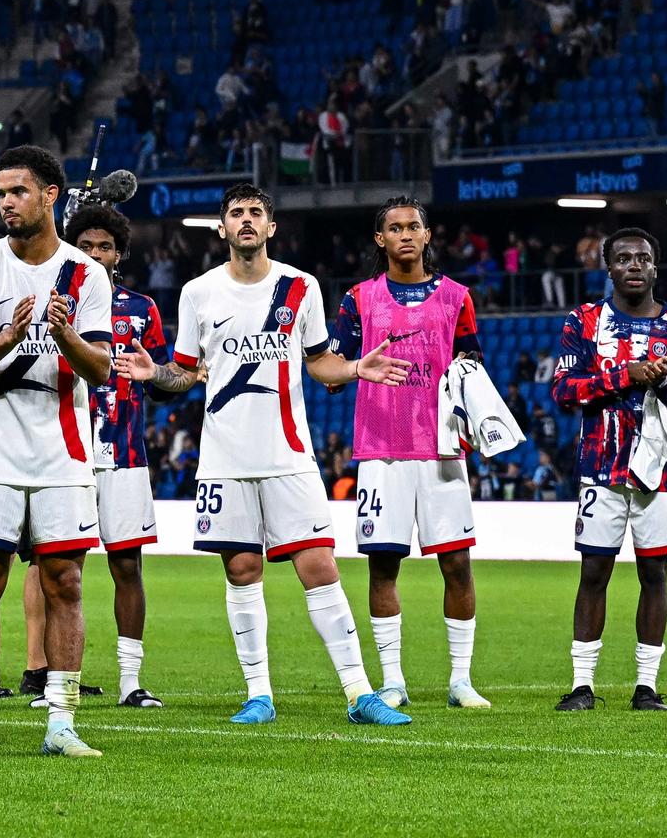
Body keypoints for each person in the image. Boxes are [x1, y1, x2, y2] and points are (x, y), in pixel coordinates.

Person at [147, 182, 413, 728]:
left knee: (319, 566)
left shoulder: (301, 286)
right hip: (224, 458)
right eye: (236, 213)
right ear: (221, 228)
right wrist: (156, 375)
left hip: (289, 454)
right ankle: (259, 693)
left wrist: (357, 368)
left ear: (271, 227)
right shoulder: (198, 292)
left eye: (256, 213)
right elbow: (185, 370)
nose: (246, 221)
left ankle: (360, 693)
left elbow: (319, 362)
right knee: (242, 570)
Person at [0, 145, 113, 757]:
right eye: (0, 193)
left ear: (50, 197)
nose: (7, 202)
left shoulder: (85, 274)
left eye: (18, 191)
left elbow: (101, 370)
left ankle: (62, 724)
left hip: (63, 452)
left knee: (66, 580)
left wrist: (63, 333)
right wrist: (10, 335)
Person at [330, 197, 489, 710]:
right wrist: (351, 366)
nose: (404, 234)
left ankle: (460, 680)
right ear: (380, 240)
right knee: (383, 567)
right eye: (394, 228)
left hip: (443, 449)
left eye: (413, 226)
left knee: (458, 565)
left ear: (427, 235)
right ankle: (392, 679)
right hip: (382, 449)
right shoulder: (359, 298)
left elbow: (472, 365)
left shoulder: (458, 298)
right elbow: (334, 365)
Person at [547, 226, 667, 712]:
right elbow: (562, 391)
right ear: (609, 267)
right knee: (594, 572)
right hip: (600, 467)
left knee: (654, 573)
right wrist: (626, 376)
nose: (633, 265)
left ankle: (646, 687)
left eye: (642, 258)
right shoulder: (584, 321)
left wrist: (666, 383)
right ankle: (581, 686)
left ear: (655, 267)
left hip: (660, 473)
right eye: (623, 258)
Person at [70, 202, 164, 708]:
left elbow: (170, 378)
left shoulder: (142, 308)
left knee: (127, 568)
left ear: (119, 253)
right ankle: (63, 683)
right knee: (65, 569)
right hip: (67, 456)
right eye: (85, 245)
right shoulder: (54, 305)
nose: (95, 254)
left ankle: (131, 681)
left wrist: (160, 374)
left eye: (104, 246)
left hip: (125, 454)